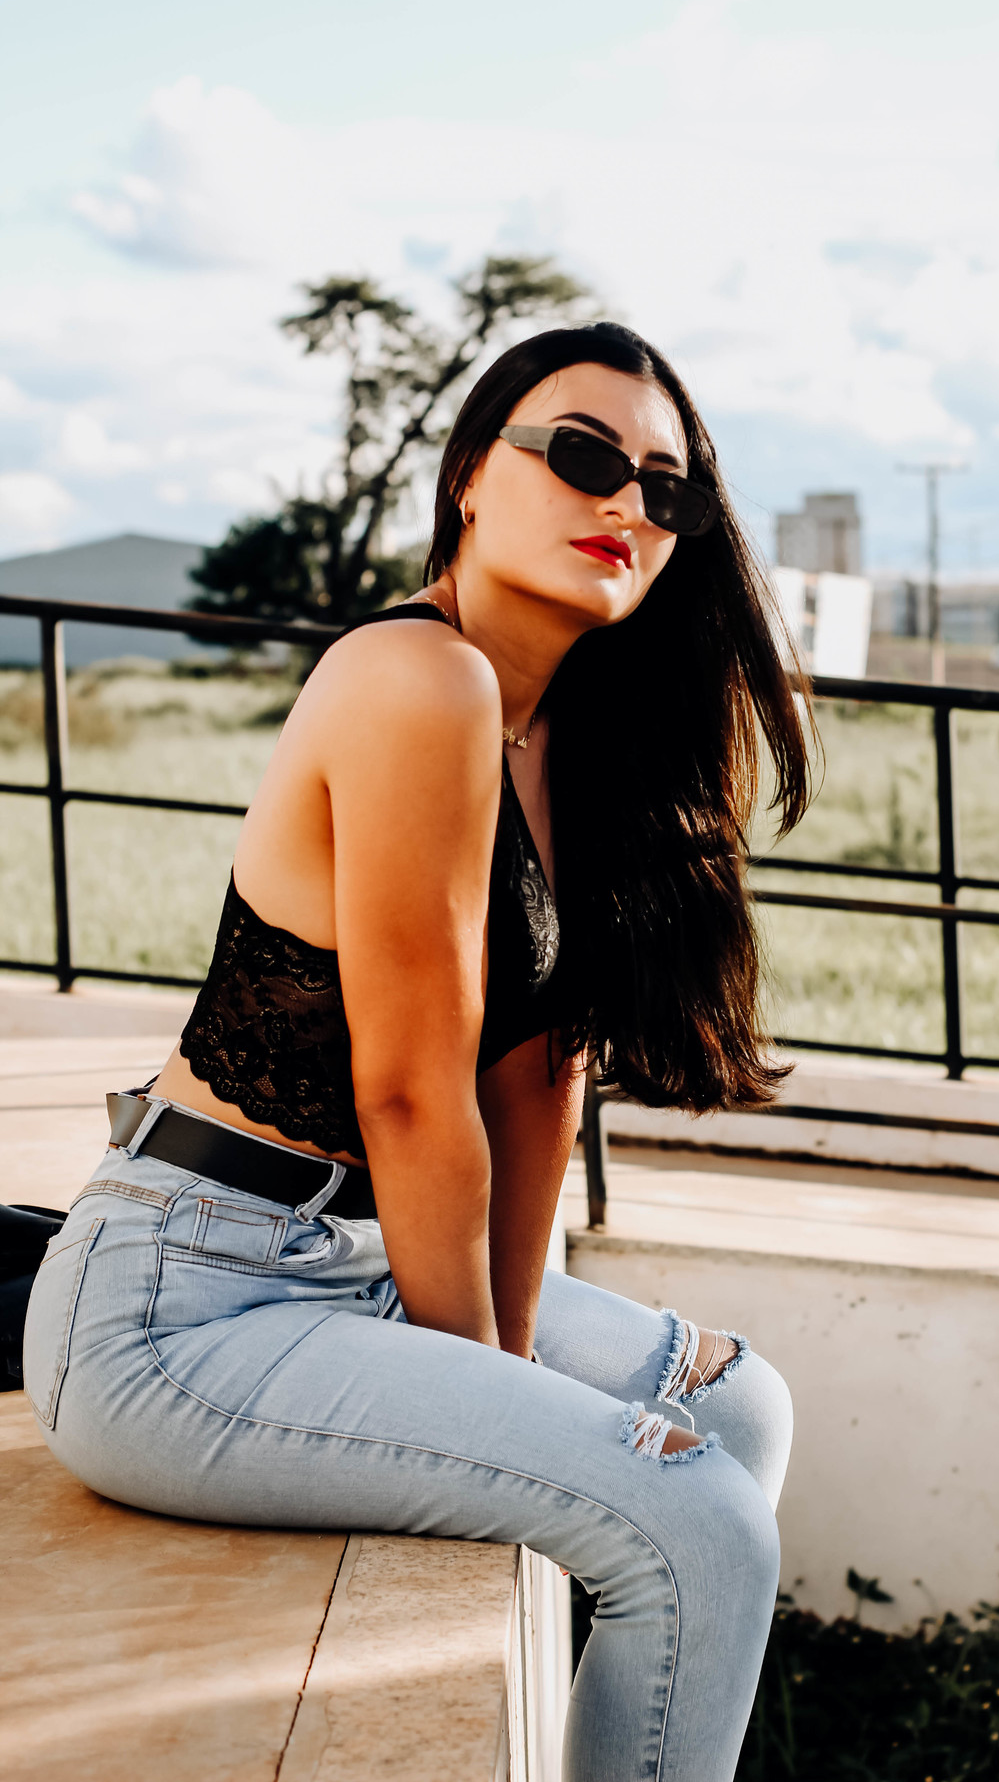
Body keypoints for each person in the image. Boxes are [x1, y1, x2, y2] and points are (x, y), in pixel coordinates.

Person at [24, 322, 813, 1782]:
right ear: (468, 476)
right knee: (699, 1520)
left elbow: (535, 1077)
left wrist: (508, 1351)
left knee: (734, 1405)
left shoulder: (561, 731)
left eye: (667, 489)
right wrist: (505, 1395)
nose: (625, 504)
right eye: (581, 456)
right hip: (187, 1300)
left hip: (356, 1267)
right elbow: (409, 1089)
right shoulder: (416, 679)